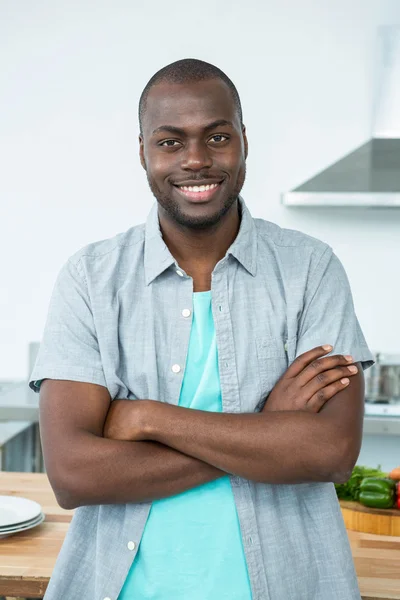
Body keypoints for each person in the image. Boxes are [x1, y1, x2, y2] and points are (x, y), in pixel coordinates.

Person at [29, 58, 374, 600]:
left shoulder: (311, 269)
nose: (195, 159)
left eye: (216, 136)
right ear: (141, 150)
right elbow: (74, 474)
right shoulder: (90, 278)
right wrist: (266, 432)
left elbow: (329, 452)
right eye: (170, 142)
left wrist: (146, 417)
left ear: (243, 140)